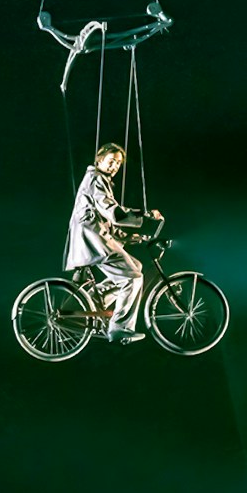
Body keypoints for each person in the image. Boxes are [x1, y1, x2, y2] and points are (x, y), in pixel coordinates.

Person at [64, 142, 162, 343]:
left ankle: (91, 299)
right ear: (99, 160)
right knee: (133, 278)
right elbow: (113, 212)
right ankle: (120, 328)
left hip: (96, 236)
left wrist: (129, 237)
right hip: (91, 239)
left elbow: (106, 220)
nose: (115, 166)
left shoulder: (100, 180)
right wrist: (145, 215)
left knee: (136, 267)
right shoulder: (95, 179)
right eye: (111, 161)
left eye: (118, 163)